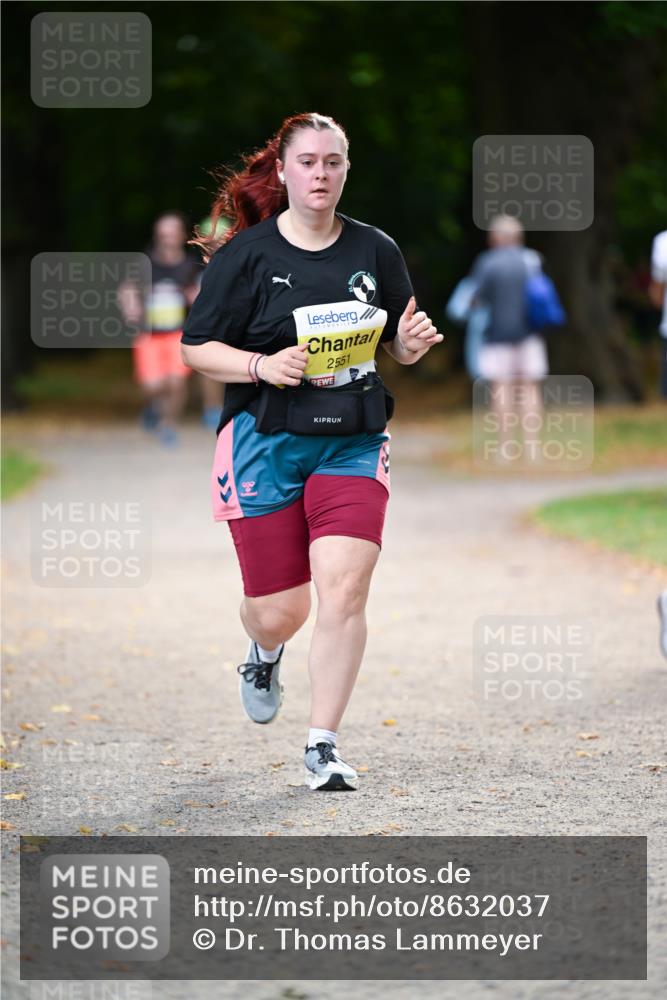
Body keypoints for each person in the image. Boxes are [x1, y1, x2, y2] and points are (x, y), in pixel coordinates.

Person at [181, 112, 442, 790]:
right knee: (281, 609)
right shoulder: (247, 256)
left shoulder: (374, 250)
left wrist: (408, 347)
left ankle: (322, 744)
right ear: (285, 170)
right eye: (307, 162)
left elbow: (396, 339)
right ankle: (263, 650)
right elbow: (196, 348)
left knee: (345, 589)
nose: (320, 173)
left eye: (332, 162)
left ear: (345, 169)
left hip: (352, 440)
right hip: (264, 441)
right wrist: (262, 367)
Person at [120, 212, 201, 446]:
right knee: (153, 386)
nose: (167, 238)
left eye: (172, 233)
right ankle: (153, 407)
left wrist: (196, 299)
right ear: (157, 236)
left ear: (181, 236)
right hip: (149, 335)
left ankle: (169, 425)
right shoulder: (144, 263)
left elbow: (201, 293)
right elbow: (127, 289)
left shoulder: (190, 265)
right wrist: (130, 306)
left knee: (176, 381)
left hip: (178, 333)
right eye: (163, 234)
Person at [471, 215, 548, 462]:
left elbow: (476, 299)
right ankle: (533, 448)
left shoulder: (488, 262)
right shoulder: (532, 260)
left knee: (502, 390)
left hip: (497, 337)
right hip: (530, 335)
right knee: (530, 390)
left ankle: (505, 448)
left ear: (496, 238)